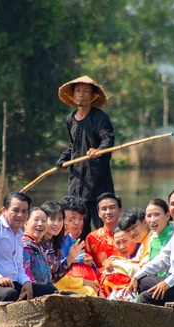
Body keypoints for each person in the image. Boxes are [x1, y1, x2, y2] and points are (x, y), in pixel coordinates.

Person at [0, 192, 57, 303]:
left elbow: (19, 266)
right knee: (10, 294)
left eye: (24, 211)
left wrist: (26, 282)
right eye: (16, 210)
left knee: (51, 292)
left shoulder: (19, 234)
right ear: (4, 211)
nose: (20, 215)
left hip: (10, 284)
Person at [55, 76, 115, 240]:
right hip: (77, 183)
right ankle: (81, 262)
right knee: (78, 229)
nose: (81, 95)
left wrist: (99, 150)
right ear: (73, 95)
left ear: (92, 95)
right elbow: (73, 146)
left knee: (103, 230)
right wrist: (63, 160)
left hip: (97, 183)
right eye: (78, 91)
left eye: (86, 91)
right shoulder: (71, 119)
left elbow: (107, 138)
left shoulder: (99, 118)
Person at [39, 201, 83, 283]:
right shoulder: (37, 242)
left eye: (60, 220)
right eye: (52, 219)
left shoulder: (54, 243)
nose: (56, 224)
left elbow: (55, 278)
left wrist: (71, 257)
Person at [21, 207, 58, 295]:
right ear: (25, 223)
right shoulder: (24, 246)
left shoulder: (40, 248)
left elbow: (48, 279)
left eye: (44, 221)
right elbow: (26, 274)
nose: (40, 224)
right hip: (29, 291)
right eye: (36, 220)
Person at [99, 227, 139, 300]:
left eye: (125, 241)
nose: (121, 247)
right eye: (117, 243)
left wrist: (115, 262)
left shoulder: (143, 254)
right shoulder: (111, 264)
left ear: (134, 238)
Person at [85, 192, 122, 268]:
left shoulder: (129, 234)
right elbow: (88, 265)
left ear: (120, 210)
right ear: (99, 213)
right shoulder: (92, 237)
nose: (108, 212)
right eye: (104, 209)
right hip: (99, 277)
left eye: (112, 207)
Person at [145, 198, 174, 277]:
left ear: (167, 216)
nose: (152, 220)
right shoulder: (151, 239)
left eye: (157, 214)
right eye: (149, 216)